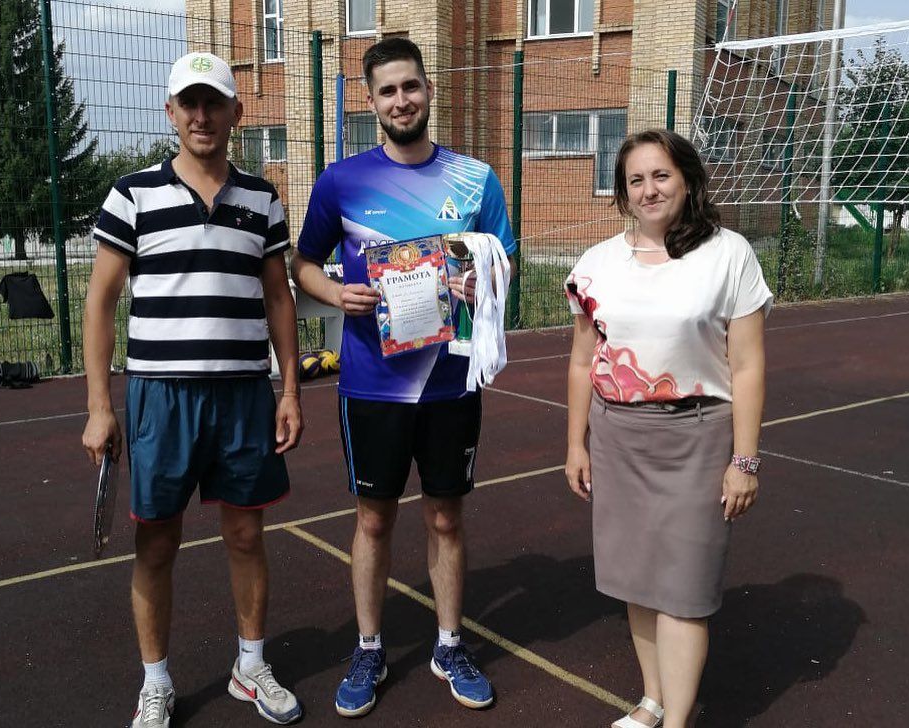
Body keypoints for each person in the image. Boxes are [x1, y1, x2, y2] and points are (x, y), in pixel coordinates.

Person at [291, 37, 516, 718]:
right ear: (370, 101)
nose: (400, 100)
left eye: (410, 87)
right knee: (373, 518)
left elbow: (507, 262)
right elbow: (301, 264)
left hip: (450, 383)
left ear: (428, 89)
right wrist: (335, 296)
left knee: (446, 516)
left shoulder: (476, 179)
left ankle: (449, 643)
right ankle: (368, 646)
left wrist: (481, 282)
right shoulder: (340, 181)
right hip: (371, 384)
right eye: (387, 91)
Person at [81, 52, 303, 728]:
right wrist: (97, 405)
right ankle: (155, 682)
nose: (202, 115)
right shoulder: (132, 193)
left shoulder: (262, 198)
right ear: (170, 111)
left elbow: (278, 299)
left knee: (246, 535)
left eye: (215, 103)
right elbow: (100, 300)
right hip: (161, 398)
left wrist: (289, 389)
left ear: (237, 113)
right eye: (190, 103)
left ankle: (251, 665)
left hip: (242, 397)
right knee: (156, 545)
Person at [564, 129, 772, 728]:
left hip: (699, 438)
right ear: (622, 192)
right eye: (635, 179)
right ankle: (654, 700)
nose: (649, 189)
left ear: (686, 179)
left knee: (683, 588)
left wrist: (746, 459)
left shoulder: (729, 254)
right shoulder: (599, 262)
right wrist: (575, 443)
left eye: (661, 175)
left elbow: (748, 364)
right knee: (638, 577)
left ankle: (678, 720)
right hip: (617, 436)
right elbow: (582, 361)